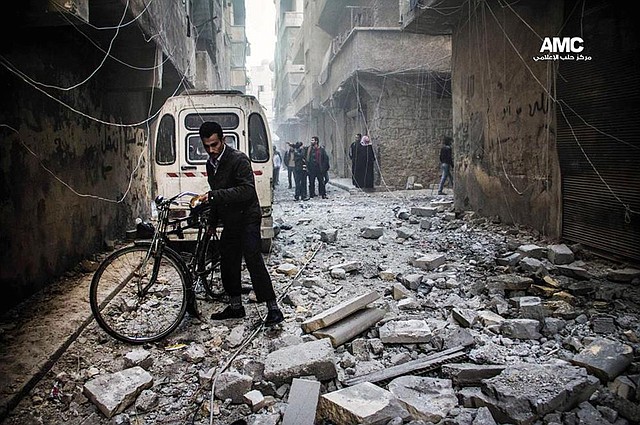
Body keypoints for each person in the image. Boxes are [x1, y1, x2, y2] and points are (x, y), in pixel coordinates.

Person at [192, 121, 284, 326]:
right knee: (228, 261)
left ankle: (273, 308)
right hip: (230, 220)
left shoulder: (239, 160)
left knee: (253, 259)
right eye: (207, 146)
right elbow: (216, 196)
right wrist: (212, 224)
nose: (211, 150)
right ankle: (236, 306)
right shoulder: (210, 164)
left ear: (223, 140)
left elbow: (247, 190)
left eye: (214, 144)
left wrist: (213, 196)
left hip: (248, 218)